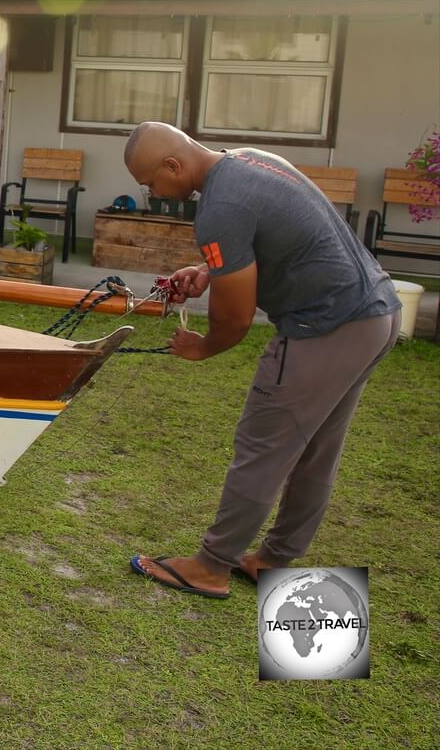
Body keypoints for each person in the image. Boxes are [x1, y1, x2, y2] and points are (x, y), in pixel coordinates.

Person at [121, 122, 401, 599]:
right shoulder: (249, 159)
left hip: (325, 326)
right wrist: (211, 269)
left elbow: (236, 318)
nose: (152, 194)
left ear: (174, 165)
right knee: (315, 451)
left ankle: (211, 566)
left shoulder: (219, 208)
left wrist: (203, 346)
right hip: (375, 315)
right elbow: (281, 232)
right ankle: (272, 558)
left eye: (150, 183)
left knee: (262, 444)